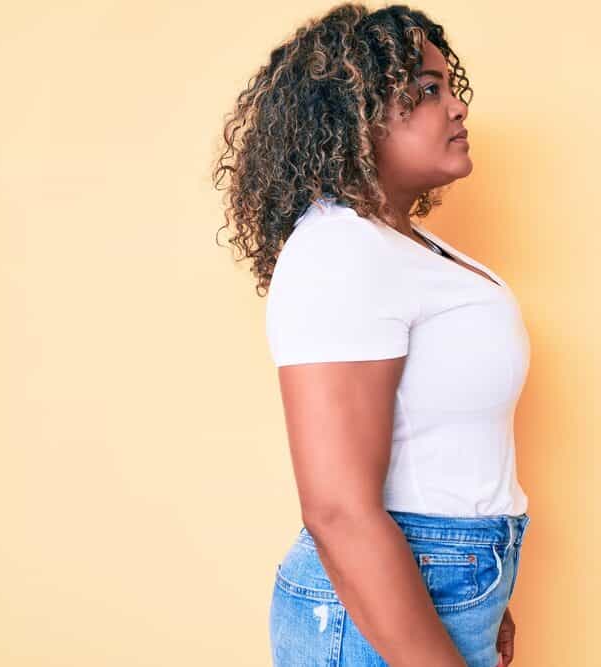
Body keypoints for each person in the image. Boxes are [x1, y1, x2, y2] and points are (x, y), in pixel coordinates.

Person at [213, 4, 531, 665]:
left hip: (435, 585)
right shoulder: (340, 251)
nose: (456, 109)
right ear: (351, 117)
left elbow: (445, 441)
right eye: (424, 90)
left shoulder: (401, 246)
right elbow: (336, 510)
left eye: (450, 88)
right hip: (372, 617)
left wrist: (481, 582)